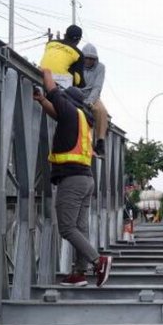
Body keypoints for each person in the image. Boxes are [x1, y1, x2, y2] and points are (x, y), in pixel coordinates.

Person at [33, 69, 112, 287]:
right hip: (86, 180)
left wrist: (46, 70)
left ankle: (98, 261)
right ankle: (80, 273)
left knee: (67, 228)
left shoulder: (69, 111)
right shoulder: (82, 119)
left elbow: (52, 89)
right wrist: (41, 101)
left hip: (72, 179)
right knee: (80, 226)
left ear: (68, 100)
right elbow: (55, 110)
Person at [81, 43, 109, 157]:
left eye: (91, 58)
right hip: (78, 94)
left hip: (93, 95)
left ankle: (100, 141)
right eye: (86, 58)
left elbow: (97, 87)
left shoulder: (100, 67)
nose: (88, 61)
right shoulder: (75, 65)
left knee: (101, 111)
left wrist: (90, 101)